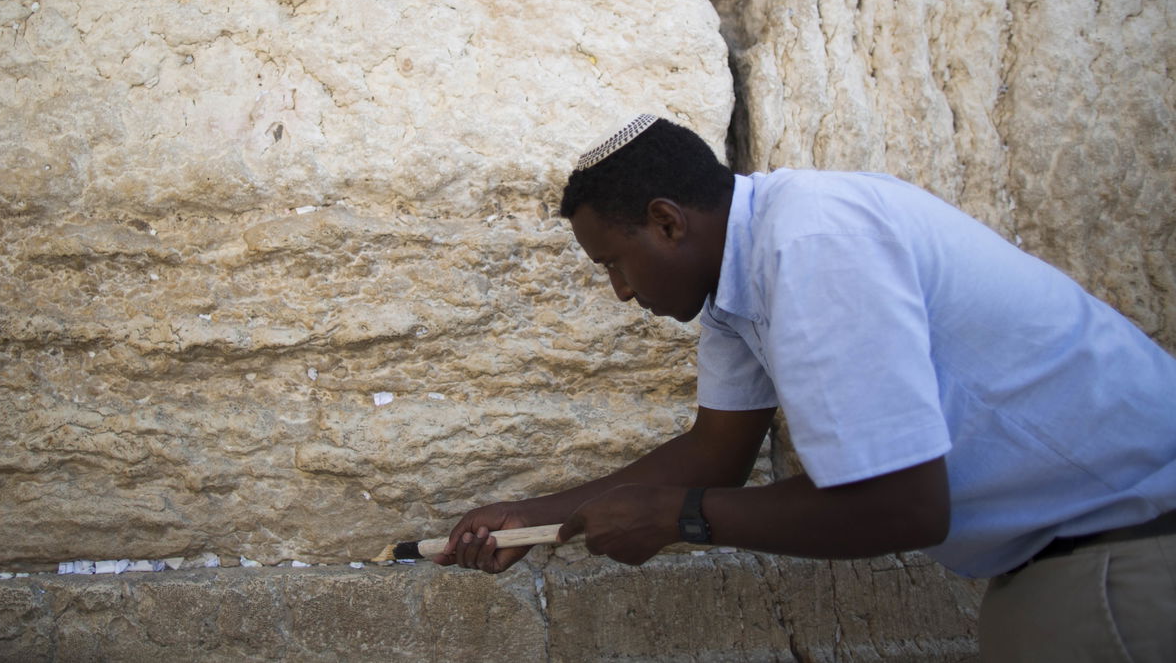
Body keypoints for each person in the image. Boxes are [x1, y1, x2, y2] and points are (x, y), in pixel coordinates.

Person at [433, 114, 1176, 662]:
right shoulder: (736, 282)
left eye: (614, 263)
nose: (622, 291)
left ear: (666, 222)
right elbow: (714, 453)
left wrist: (681, 519)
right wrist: (530, 516)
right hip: (1067, 563)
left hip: (1126, 554)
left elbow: (904, 505)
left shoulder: (813, 239)